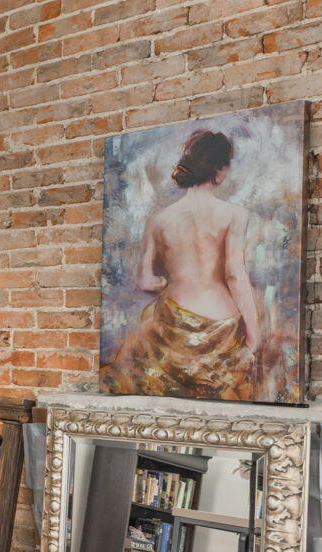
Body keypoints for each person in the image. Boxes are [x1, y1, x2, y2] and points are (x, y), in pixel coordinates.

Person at [104, 129, 272, 401]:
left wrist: (170, 281)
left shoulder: (158, 220)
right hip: (222, 323)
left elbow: (145, 281)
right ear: (221, 169)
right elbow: (234, 274)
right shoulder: (234, 215)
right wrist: (254, 333)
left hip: (169, 322)